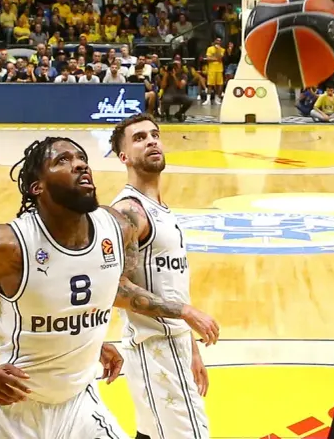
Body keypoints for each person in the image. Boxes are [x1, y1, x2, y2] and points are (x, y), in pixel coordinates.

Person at [0, 136, 219, 439]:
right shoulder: (4, 245)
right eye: (62, 160)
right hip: (13, 410)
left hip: (80, 404)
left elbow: (112, 289)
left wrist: (81, 341)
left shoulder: (118, 229)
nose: (79, 164)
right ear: (37, 187)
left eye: (81, 158)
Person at [109, 115, 212, 439]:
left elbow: (171, 284)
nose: (152, 141)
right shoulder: (129, 212)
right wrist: (186, 313)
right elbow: (115, 289)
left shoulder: (159, 209)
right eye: (139, 138)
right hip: (156, 349)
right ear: (123, 156)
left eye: (155, 134)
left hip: (171, 344)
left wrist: (190, 346)